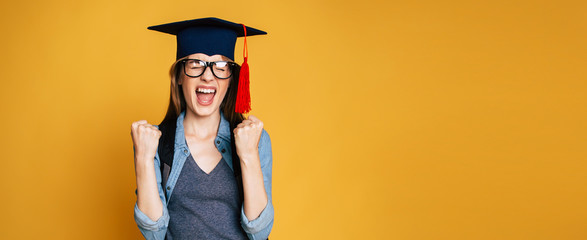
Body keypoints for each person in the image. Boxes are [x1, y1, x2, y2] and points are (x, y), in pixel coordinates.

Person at [130, 17, 274, 240]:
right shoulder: (156, 142)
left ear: (231, 79)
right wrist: (143, 158)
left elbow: (260, 231)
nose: (208, 76)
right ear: (179, 76)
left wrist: (248, 155)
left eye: (221, 66)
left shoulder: (255, 140)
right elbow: (154, 233)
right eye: (195, 64)